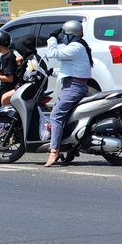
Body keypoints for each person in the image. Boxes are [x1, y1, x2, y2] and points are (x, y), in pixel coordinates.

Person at [44, 20, 93, 167]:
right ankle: (70, 148)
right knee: (67, 117)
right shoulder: (79, 47)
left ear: (71, 35)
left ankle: (54, 151)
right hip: (73, 84)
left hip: (73, 87)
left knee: (55, 115)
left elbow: (55, 53)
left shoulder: (75, 47)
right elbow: (73, 69)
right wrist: (51, 72)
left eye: (64, 35)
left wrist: (52, 37)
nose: (63, 38)